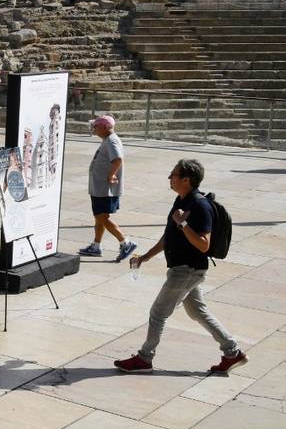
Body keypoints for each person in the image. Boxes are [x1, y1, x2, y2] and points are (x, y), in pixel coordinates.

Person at [117, 159, 246, 374]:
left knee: (158, 313)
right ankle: (233, 353)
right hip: (185, 269)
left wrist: (183, 223)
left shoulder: (200, 206)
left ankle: (144, 359)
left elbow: (203, 245)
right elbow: (169, 236)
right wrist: (145, 257)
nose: (170, 178)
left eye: (173, 175)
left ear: (186, 180)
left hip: (187, 269)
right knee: (198, 312)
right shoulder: (181, 201)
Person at [78, 115, 137, 261]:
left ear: (105, 127)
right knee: (100, 217)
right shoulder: (108, 140)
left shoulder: (111, 141)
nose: (93, 129)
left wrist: (111, 175)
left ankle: (125, 243)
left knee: (102, 217)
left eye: (96, 126)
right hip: (99, 188)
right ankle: (96, 246)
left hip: (104, 189)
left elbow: (117, 160)